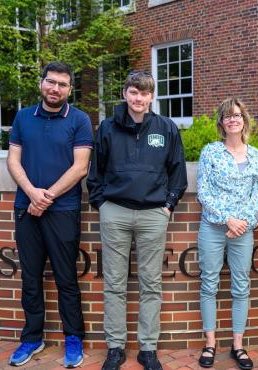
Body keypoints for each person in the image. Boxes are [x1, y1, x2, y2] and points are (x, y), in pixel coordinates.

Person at [87, 71, 187, 370]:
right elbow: (96, 172)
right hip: (115, 212)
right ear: (125, 93)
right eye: (133, 92)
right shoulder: (107, 128)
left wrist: (168, 206)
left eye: (144, 93)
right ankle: (115, 347)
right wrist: (102, 204)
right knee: (114, 283)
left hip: (153, 214)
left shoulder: (166, 128)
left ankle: (147, 348)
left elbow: (177, 172)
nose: (138, 98)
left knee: (150, 284)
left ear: (151, 97)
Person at [6, 61, 92, 368]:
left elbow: (80, 167)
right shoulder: (23, 117)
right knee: (30, 277)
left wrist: (47, 197)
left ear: (70, 89)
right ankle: (32, 338)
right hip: (26, 208)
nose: (55, 88)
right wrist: (32, 193)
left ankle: (73, 338)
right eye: (51, 82)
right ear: (42, 83)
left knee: (66, 277)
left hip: (64, 210)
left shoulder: (79, 120)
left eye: (62, 84)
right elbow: (13, 161)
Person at [196, 98, 258, 370]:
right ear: (221, 123)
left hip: (243, 231)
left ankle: (238, 345)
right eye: (227, 116)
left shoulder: (256, 156)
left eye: (237, 115)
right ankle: (210, 343)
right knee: (209, 284)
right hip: (213, 227)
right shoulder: (211, 152)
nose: (233, 120)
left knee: (241, 286)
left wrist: (242, 223)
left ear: (244, 120)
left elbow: (256, 195)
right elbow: (204, 191)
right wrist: (228, 219)